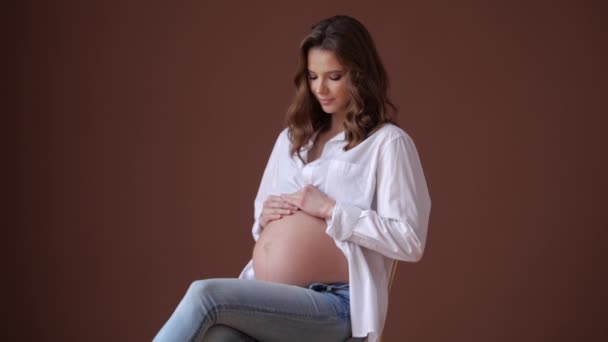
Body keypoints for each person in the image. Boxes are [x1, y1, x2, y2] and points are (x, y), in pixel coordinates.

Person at [153, 14, 431, 342]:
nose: (320, 89)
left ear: (360, 75)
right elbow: (262, 222)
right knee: (219, 338)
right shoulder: (292, 139)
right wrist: (266, 216)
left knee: (205, 296)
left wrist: (331, 209)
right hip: (273, 297)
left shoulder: (387, 143)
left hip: (338, 305)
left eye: (334, 76)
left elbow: (410, 240)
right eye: (313, 76)